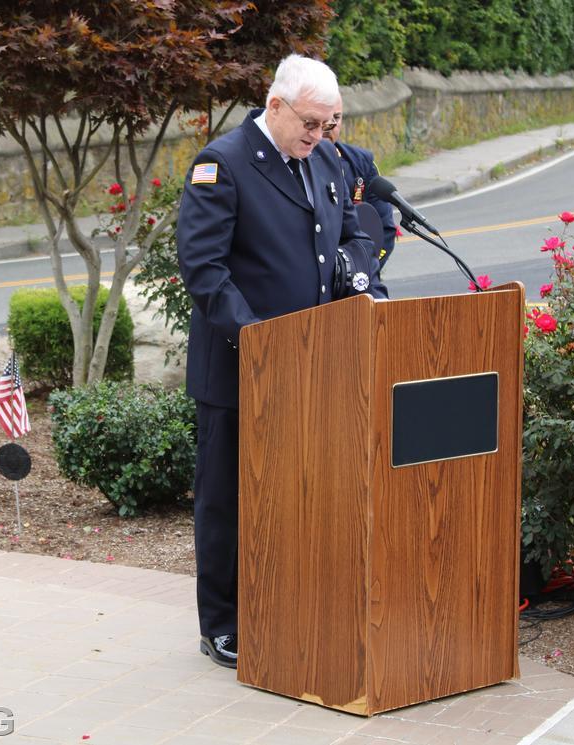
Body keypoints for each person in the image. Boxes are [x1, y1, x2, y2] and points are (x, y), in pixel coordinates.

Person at [176, 54, 388, 669]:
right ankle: (222, 623)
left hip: (316, 365)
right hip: (244, 368)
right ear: (275, 106)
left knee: (297, 495)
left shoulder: (324, 161)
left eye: (330, 124)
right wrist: (263, 342)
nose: (321, 137)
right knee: (228, 499)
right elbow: (206, 271)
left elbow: (354, 234)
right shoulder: (224, 163)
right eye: (312, 123)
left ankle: (288, 604)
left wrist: (360, 276)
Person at [323, 95, 398, 271]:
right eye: (324, 118)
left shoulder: (361, 162)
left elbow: (384, 229)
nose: (329, 125)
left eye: (337, 117)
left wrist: (364, 273)